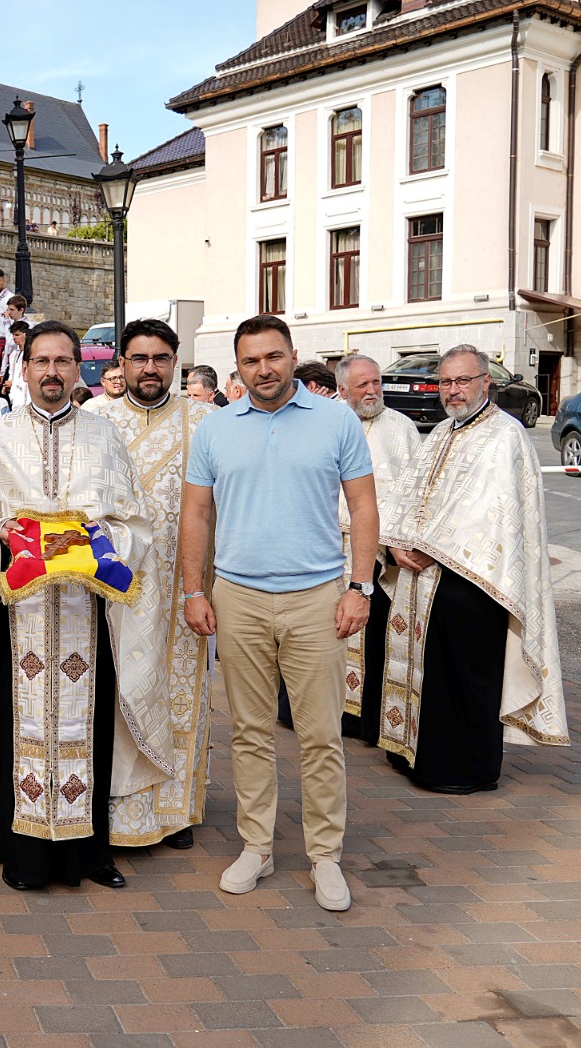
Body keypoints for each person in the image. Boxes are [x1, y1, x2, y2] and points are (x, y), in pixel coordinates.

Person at [0, 321, 173, 892]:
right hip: (19, 616)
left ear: (80, 370)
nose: (52, 372)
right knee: (15, 729)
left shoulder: (104, 437)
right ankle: (19, 852)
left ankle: (88, 853)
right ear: (23, 370)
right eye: (41, 362)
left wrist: (99, 539)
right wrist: (2, 532)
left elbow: (136, 523)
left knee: (88, 728)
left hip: (86, 612)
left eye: (63, 362)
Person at [178, 314, 377, 913]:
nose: (263, 369)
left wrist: (359, 588)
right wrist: (195, 591)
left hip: (318, 597)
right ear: (236, 368)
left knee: (320, 735)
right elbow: (196, 516)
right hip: (238, 597)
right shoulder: (215, 429)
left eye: (273, 356)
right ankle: (257, 847)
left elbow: (363, 507)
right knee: (250, 732)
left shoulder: (337, 419)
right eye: (250, 361)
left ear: (292, 356)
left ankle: (325, 857)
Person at [378, 344, 568, 793]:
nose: (453, 390)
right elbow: (407, 496)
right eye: (446, 382)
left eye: (463, 380)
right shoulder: (442, 432)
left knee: (465, 677)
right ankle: (420, 757)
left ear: (487, 382)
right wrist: (395, 545)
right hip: (422, 577)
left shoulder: (506, 436)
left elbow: (492, 514)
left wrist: (429, 549)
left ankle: (464, 770)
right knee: (430, 673)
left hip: (473, 583)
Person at [97, 319, 214, 851]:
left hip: (181, 588)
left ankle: (174, 810)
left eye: (161, 358)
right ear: (120, 363)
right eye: (139, 358)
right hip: (108, 589)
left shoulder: (206, 422)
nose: (150, 368)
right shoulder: (94, 421)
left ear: (176, 361)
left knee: (178, 693)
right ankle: (114, 812)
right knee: (116, 695)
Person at [334, 353, 420, 744]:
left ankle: (368, 720)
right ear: (341, 390)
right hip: (330, 549)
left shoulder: (401, 428)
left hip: (380, 552)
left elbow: (415, 492)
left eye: (376, 382)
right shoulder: (324, 421)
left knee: (375, 635)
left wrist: (399, 539)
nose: (372, 391)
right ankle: (329, 714)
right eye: (362, 385)